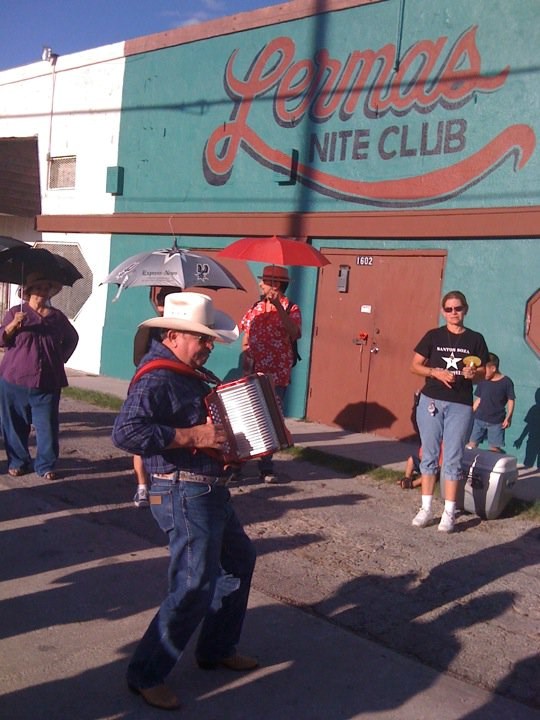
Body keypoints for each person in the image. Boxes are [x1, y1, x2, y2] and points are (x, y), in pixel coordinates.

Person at [112, 292, 257, 711]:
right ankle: (145, 673)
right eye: (203, 340)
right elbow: (125, 433)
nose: (209, 347)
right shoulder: (158, 376)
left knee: (239, 560)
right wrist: (192, 436)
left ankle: (216, 648)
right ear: (173, 335)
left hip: (208, 487)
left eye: (210, 340)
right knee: (193, 582)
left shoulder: (186, 373)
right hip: (181, 489)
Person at [410, 290, 489, 533]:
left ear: (466, 309)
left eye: (458, 308)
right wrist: (435, 372)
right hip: (431, 400)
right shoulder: (433, 335)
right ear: (443, 311)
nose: (454, 313)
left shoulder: (475, 339)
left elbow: (483, 373)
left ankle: (449, 512)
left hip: (460, 404)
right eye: (449, 309)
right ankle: (425, 509)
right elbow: (414, 365)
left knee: (453, 457)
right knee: (430, 455)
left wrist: (471, 374)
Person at [0, 272, 79, 480]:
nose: (42, 293)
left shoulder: (57, 317)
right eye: (38, 289)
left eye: (46, 289)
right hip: (14, 379)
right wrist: (14, 325)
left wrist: (60, 359)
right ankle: (18, 462)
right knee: (15, 424)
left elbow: (72, 338)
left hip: (48, 382)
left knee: (47, 426)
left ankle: (46, 465)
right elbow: (2, 339)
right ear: (28, 292)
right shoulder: (15, 313)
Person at [239, 265, 302, 483]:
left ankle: (266, 466)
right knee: (248, 418)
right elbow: (245, 336)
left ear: (275, 285)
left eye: (264, 281)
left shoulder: (291, 308)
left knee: (270, 420)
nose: (260, 284)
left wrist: (278, 307)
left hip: (277, 374)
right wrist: (245, 358)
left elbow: (294, 333)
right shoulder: (256, 307)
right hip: (253, 371)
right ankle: (239, 463)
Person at [132, 285, 179, 508]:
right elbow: (137, 358)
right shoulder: (148, 328)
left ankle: (158, 499)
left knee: (165, 440)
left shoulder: (182, 329)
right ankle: (143, 489)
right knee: (143, 438)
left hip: (173, 391)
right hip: (149, 386)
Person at [466, 352, 515, 453]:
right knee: (472, 444)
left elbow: (511, 400)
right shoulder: (482, 381)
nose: (483, 372)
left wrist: (509, 417)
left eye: (485, 369)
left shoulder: (506, 382)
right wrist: (470, 414)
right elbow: (479, 400)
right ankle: (468, 465)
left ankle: (494, 465)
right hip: (479, 419)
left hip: (497, 422)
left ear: (493, 368)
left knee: (494, 448)